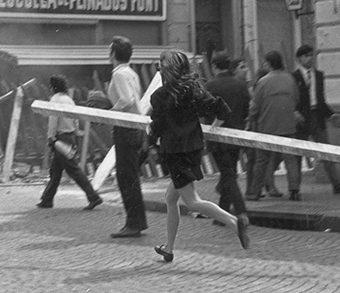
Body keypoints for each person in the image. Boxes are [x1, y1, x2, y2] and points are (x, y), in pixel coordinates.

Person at [148, 50, 249, 263]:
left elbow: (157, 127)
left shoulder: (160, 96)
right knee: (171, 198)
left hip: (175, 153)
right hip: (193, 149)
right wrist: (211, 129)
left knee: (193, 202)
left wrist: (150, 139)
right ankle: (169, 248)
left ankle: (234, 222)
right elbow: (222, 111)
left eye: (160, 65)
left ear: (166, 69)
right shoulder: (194, 90)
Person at [292, 45, 340, 195]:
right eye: (305, 56)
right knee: (297, 154)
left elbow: (321, 100)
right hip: (301, 119)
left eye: (311, 55)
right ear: (299, 59)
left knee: (326, 150)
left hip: (317, 116)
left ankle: (337, 184)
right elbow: (291, 98)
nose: (309, 59)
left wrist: (331, 115)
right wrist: (294, 112)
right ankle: (294, 188)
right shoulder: (294, 77)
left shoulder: (318, 75)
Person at [37, 75, 103, 210]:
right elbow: (75, 118)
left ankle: (93, 197)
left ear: (53, 87)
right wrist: (77, 131)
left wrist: (50, 137)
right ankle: (47, 199)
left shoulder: (55, 100)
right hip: (70, 137)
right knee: (55, 171)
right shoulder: (68, 100)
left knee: (73, 170)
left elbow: (53, 120)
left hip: (60, 138)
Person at [247, 51, 304, 201]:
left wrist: (251, 118)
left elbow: (254, 106)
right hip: (288, 125)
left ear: (269, 64)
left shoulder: (263, 82)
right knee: (290, 159)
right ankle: (294, 190)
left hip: (267, 127)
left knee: (261, 161)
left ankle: (255, 191)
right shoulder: (290, 79)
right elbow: (296, 99)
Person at [107, 36, 148, 238]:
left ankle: (133, 223)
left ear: (114, 54)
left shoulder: (118, 74)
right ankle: (137, 221)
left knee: (126, 177)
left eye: (110, 51)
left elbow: (127, 100)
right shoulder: (131, 72)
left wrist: (109, 113)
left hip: (125, 128)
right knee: (130, 176)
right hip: (135, 128)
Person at [204, 51, 250, 222]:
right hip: (236, 135)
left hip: (217, 136)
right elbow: (247, 108)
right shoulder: (240, 85)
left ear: (214, 66)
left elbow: (204, 110)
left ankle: (241, 211)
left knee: (228, 174)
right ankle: (222, 214)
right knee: (229, 172)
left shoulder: (210, 86)